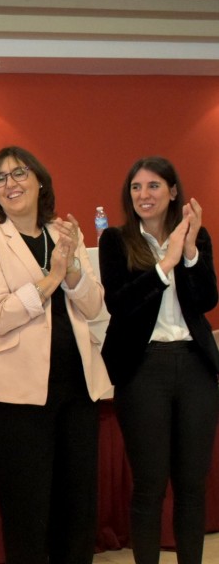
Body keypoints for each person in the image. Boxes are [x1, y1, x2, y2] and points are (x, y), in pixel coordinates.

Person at [0, 146, 111, 564]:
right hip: (16, 399)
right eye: (0, 178)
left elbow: (93, 305)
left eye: (19, 173)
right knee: (27, 515)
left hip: (78, 390)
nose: (10, 184)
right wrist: (53, 278)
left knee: (78, 508)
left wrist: (75, 270)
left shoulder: (65, 232)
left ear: (40, 180)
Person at [98, 156, 219, 564]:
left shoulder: (196, 237)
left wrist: (187, 254)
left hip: (195, 367)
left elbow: (206, 300)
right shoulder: (115, 241)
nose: (143, 195)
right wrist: (163, 267)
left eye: (153, 186)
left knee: (191, 485)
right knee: (149, 485)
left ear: (172, 193)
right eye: (136, 187)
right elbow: (120, 303)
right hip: (143, 368)